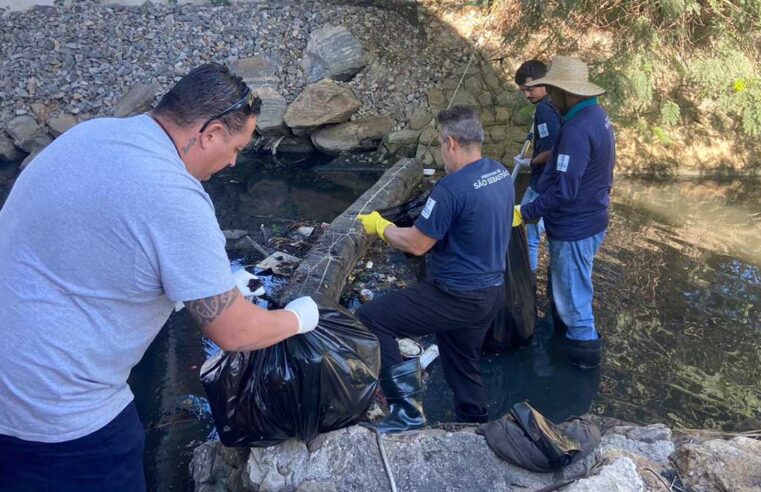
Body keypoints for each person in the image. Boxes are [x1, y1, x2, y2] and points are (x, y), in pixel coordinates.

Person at [0, 63, 319, 491]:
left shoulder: (91, 134)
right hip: (60, 420)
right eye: (236, 146)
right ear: (210, 133)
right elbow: (235, 331)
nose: (232, 162)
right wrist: (300, 318)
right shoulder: (174, 197)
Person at [356, 105, 514, 431]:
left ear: (451, 143)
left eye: (442, 143)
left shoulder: (450, 189)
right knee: (462, 361)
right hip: (492, 293)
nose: (442, 151)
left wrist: (380, 226)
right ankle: (475, 426)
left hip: (455, 294)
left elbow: (416, 244)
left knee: (372, 319)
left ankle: (405, 412)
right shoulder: (499, 172)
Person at [513, 56, 616, 370]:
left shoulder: (576, 129)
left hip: (576, 226)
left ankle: (582, 368)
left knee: (574, 301)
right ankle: (562, 341)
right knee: (570, 287)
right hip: (592, 217)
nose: (549, 95)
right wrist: (538, 162)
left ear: (566, 92)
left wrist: (526, 211)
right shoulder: (596, 116)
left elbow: (563, 191)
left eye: (553, 89)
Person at [513, 59, 562, 277]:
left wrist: (531, 162)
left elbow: (553, 148)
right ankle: (547, 276)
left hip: (541, 182)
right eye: (523, 90)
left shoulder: (545, 109)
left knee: (527, 232)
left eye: (530, 89)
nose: (527, 94)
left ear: (545, 83)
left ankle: (528, 278)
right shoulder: (556, 104)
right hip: (552, 182)